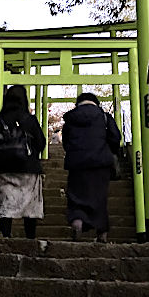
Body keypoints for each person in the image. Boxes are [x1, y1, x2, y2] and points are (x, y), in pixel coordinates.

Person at [0, 85, 46, 239]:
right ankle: (30, 238)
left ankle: (6, 236)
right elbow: (41, 142)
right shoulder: (29, 119)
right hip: (27, 167)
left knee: (6, 203)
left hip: (4, 167)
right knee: (30, 205)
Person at [62, 92, 121, 242]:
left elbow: (66, 143)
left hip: (77, 164)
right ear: (96, 103)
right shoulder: (104, 117)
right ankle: (102, 232)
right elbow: (115, 138)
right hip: (100, 163)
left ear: (78, 103)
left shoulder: (70, 119)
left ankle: (77, 222)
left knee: (76, 196)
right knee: (99, 197)